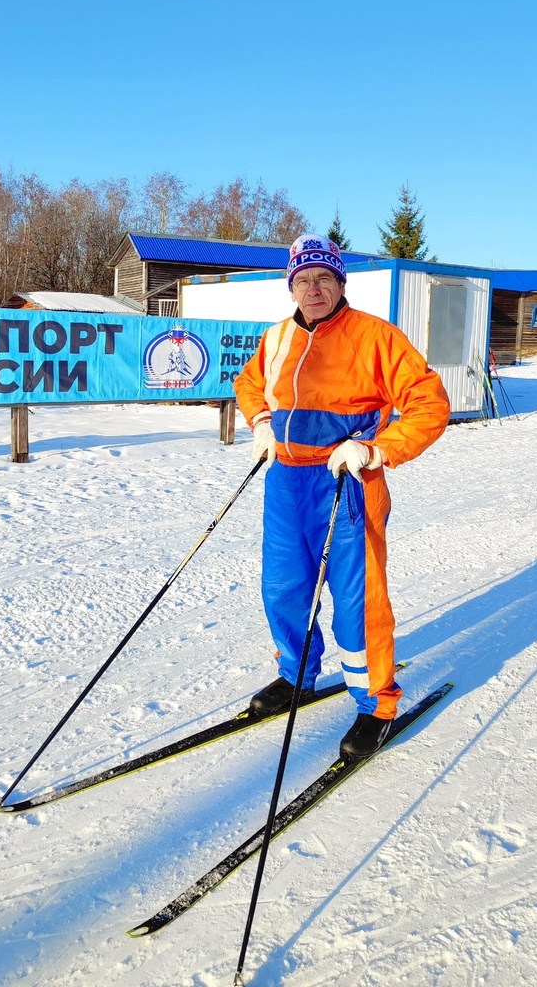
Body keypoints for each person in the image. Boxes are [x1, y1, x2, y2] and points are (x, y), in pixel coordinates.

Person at [233, 233, 450, 760]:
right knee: (284, 588)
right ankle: (297, 676)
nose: (313, 288)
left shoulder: (375, 337)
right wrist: (260, 420)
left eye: (323, 278)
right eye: (303, 280)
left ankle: (375, 704)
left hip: (346, 480)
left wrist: (376, 449)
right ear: (291, 287)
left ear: (339, 282)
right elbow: (249, 383)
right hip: (285, 480)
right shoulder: (279, 337)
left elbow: (429, 404)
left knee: (357, 600)